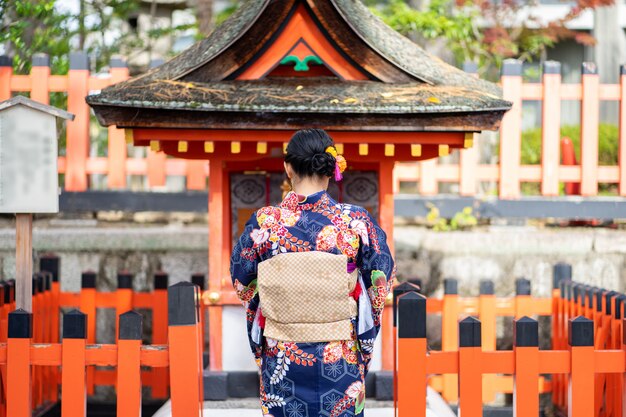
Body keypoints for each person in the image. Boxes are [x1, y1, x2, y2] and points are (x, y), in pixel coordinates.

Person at [230, 128, 396, 417]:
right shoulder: (354, 220)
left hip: (282, 353)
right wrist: (363, 340)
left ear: (287, 167)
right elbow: (379, 285)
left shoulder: (265, 222)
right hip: (339, 356)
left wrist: (275, 304)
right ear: (332, 169)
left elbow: (243, 282)